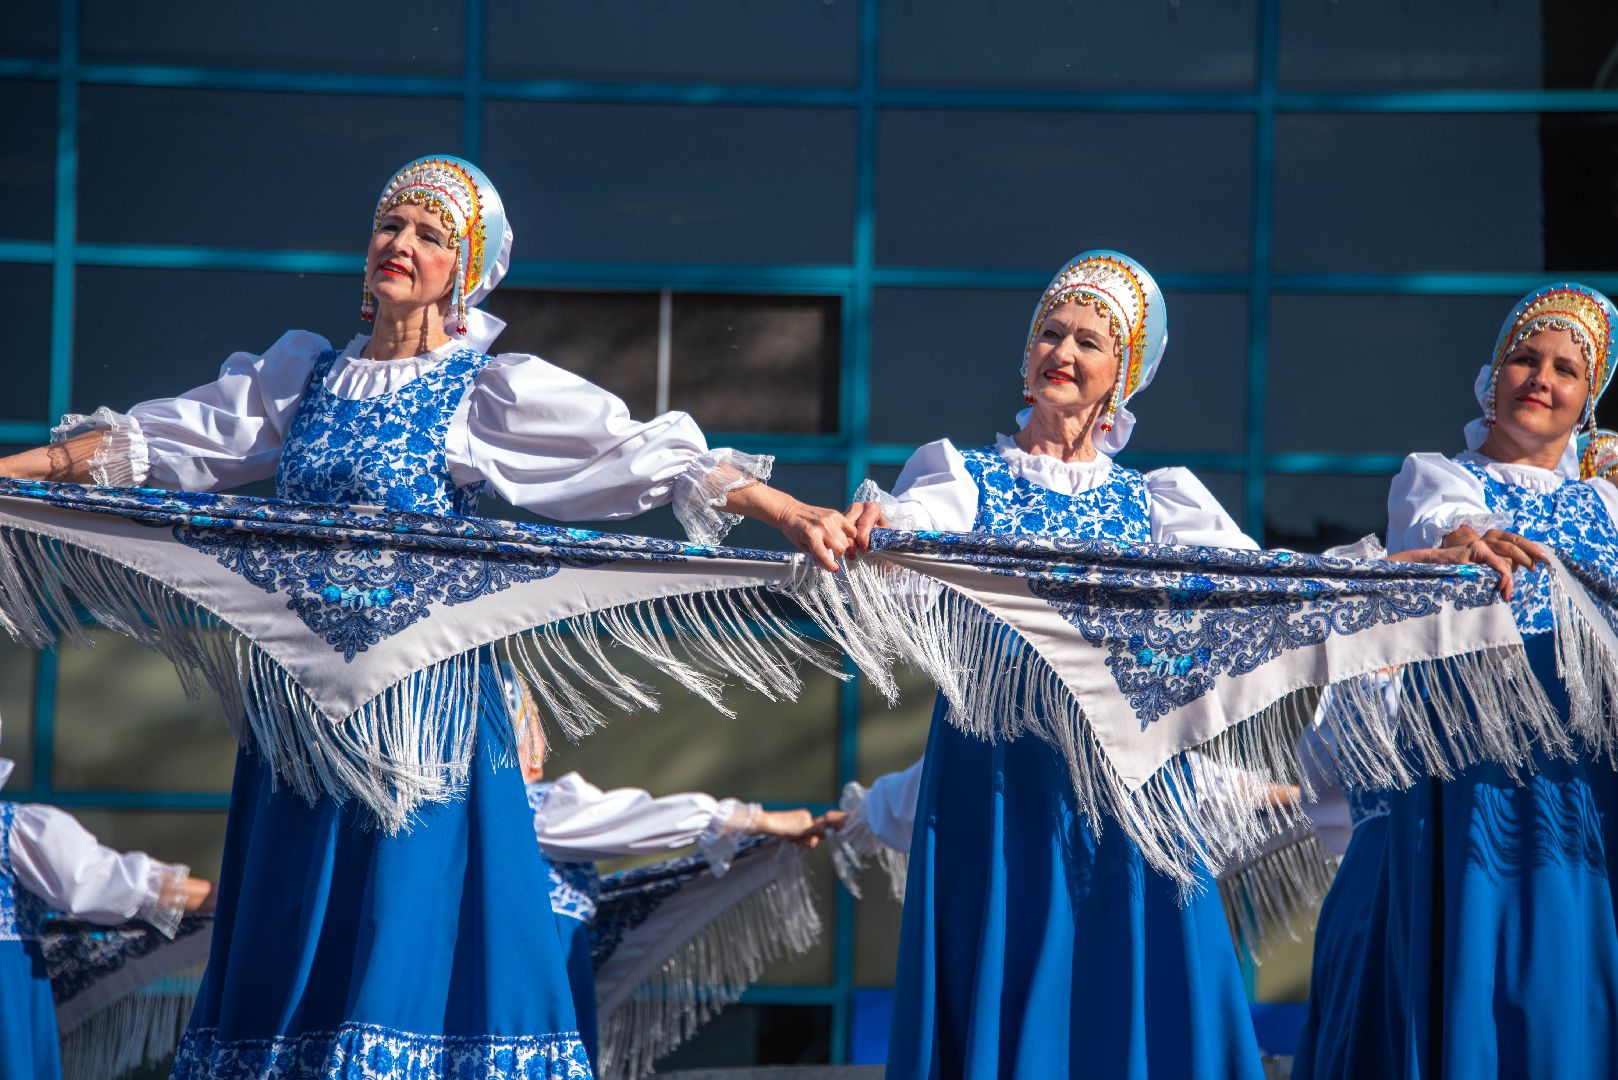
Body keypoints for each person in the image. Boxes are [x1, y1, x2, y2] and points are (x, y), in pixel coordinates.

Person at [0, 154, 856, 1078]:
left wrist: (790, 511)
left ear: (468, 272)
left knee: (406, 922)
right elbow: (160, 440)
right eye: (390, 225)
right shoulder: (299, 380)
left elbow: (639, 455)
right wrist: (12, 475)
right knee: (295, 920)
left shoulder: (482, 389)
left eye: (429, 235)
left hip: (424, 708)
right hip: (301, 714)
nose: (399, 244)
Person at [839, 251, 1268, 1079]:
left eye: (1089, 342)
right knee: (1018, 960)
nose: (1062, 353)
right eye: (1050, 332)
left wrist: (1416, 566)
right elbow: (910, 526)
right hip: (1005, 778)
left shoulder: (1163, 500)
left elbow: (1264, 584)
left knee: (1132, 977)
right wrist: (880, 528)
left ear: (1125, 374)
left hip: (1134, 783)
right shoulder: (964, 477)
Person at [1293, 283, 1618, 1079]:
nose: (1539, 378)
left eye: (1564, 370)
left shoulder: (1607, 506)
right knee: (1469, 964)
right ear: (1491, 378)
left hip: (1579, 776)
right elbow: (1442, 530)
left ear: (1587, 403)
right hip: (1467, 769)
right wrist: (1464, 542)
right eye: (1523, 359)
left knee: (1562, 988)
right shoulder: (1440, 476)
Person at [506, 667, 824, 1073]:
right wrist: (759, 819)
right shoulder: (526, 812)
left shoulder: (485, 825)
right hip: (533, 996)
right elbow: (634, 819)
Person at [0, 730, 214, 1079]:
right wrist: (229, 895)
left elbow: (107, 881)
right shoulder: (14, 829)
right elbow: (109, 881)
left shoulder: (17, 830)